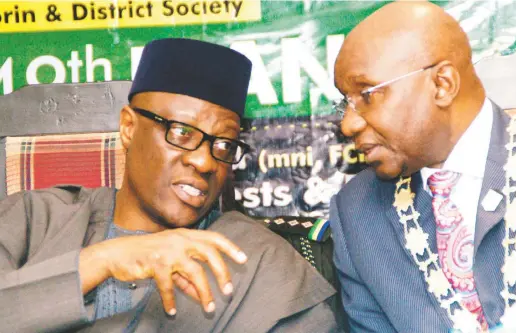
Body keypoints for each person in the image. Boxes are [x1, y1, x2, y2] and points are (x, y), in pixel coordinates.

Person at [0, 38, 338, 333]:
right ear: (129, 127)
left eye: (223, 145)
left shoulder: (259, 262)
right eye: (182, 133)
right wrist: (100, 261)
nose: (206, 162)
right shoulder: (33, 220)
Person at [329, 2, 516, 333]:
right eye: (346, 101)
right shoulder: (357, 212)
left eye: (367, 95)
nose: (348, 124)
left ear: (442, 84)